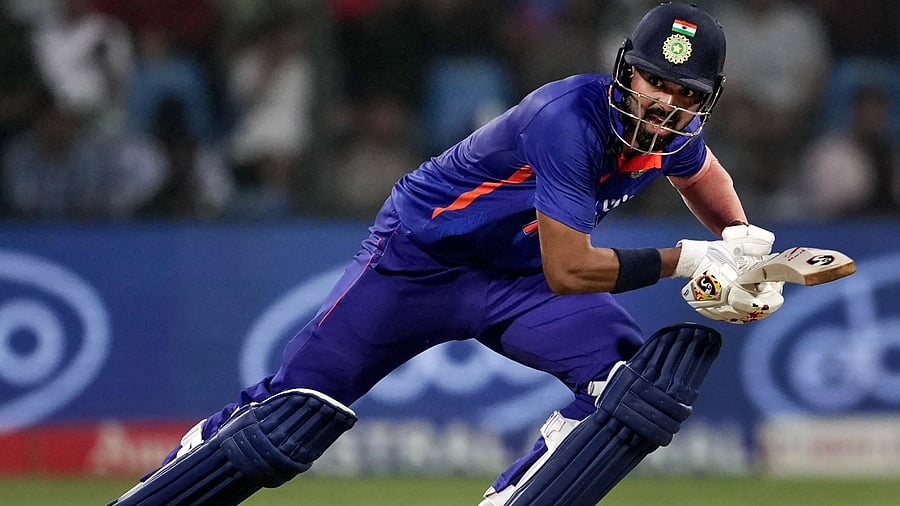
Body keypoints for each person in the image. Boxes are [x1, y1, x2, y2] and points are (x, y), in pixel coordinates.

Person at [109, 3, 785, 505]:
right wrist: (691, 260)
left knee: (635, 393)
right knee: (286, 423)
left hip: (516, 279)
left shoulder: (676, 139)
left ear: (706, 101)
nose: (666, 104)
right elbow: (570, 269)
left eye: (686, 94)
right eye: (654, 82)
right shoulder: (566, 118)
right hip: (418, 263)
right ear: (625, 73)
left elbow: (705, 177)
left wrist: (741, 242)